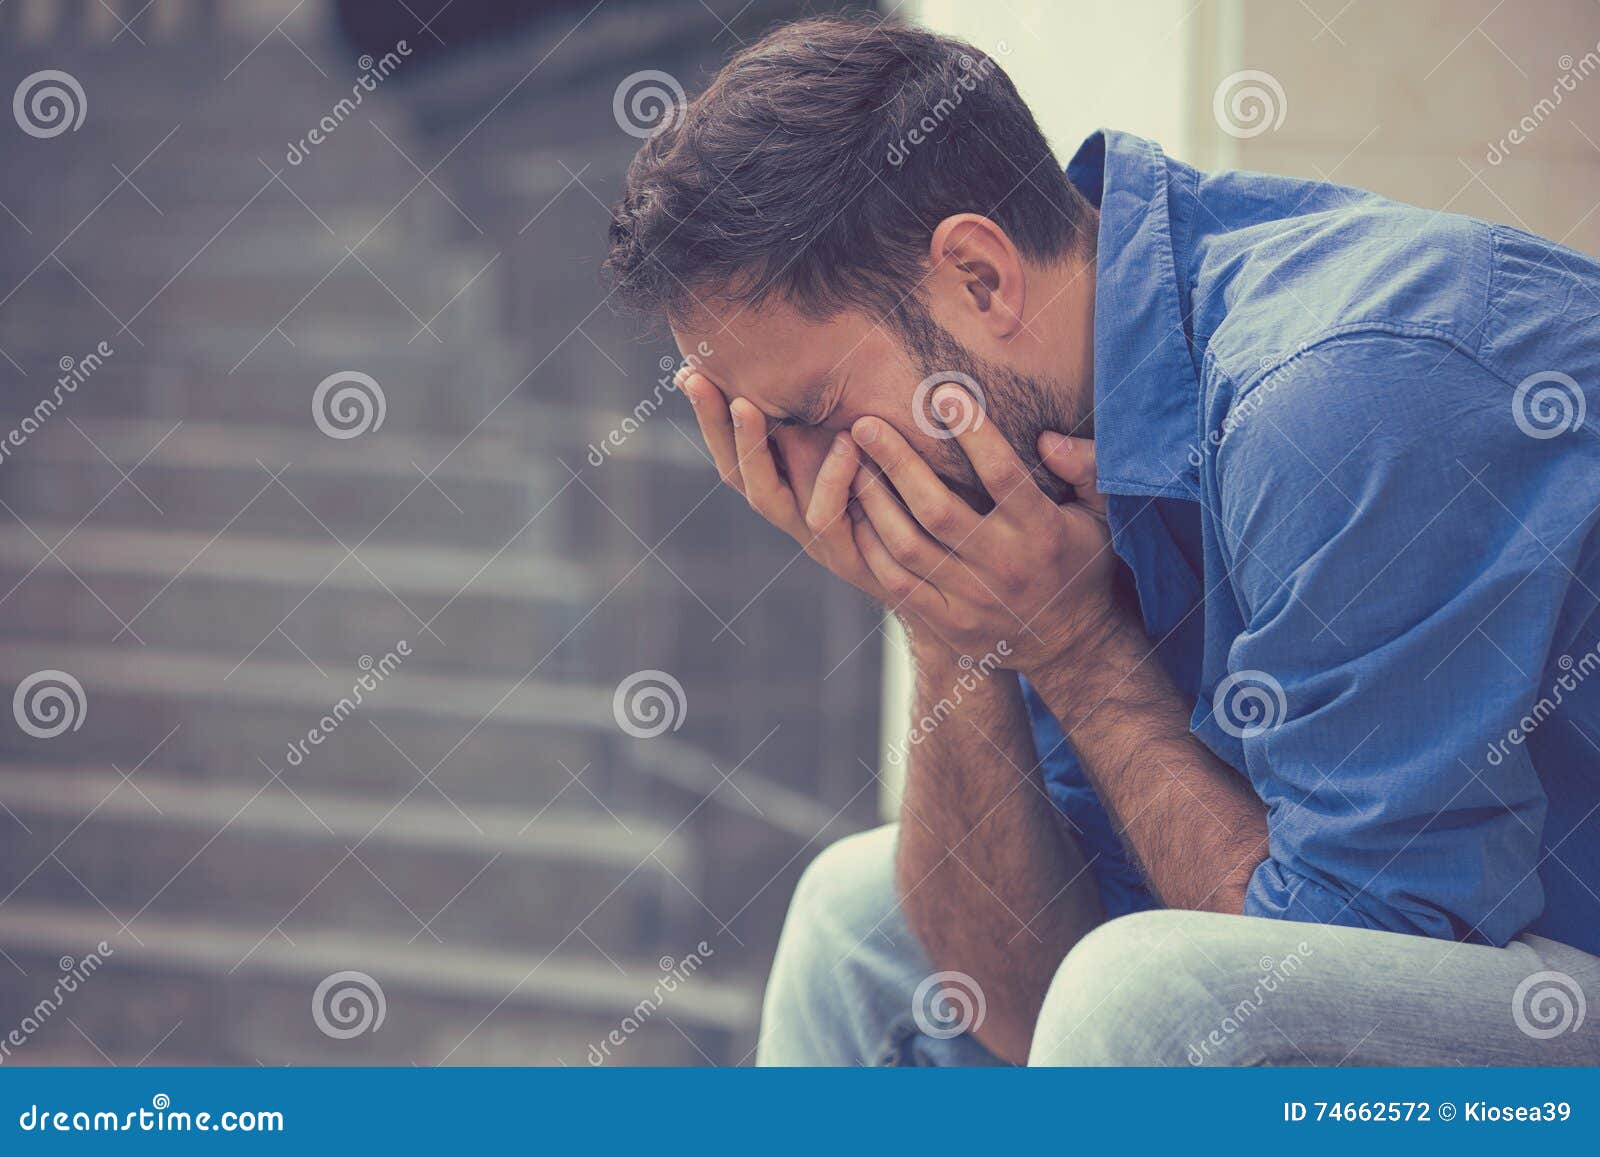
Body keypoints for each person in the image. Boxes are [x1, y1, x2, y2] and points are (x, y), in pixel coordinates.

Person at [604, 14, 1600, 1066]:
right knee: (857, 920)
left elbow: (1295, 1002)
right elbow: (1011, 1009)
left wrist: (1078, 648)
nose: (812, 491)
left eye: (809, 414)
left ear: (980, 279)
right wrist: (947, 621)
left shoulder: (1346, 394)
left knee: (1150, 994)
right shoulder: (1057, 423)